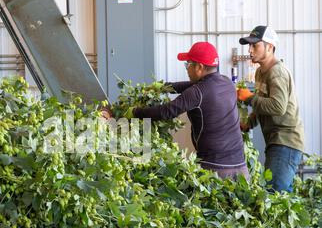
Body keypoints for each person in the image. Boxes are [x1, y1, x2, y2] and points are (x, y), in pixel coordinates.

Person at [104, 42, 249, 181]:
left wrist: (135, 112)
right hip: (240, 166)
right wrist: (163, 87)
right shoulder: (227, 83)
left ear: (199, 67)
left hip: (216, 168)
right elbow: (190, 85)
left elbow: (166, 112)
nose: (187, 68)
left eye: (188, 64)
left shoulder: (197, 92)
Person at [239, 25, 304, 192]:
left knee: (274, 195)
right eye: (250, 46)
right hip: (275, 141)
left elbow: (278, 107)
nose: (250, 50)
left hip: (285, 141)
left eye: (255, 45)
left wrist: (249, 97)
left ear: (269, 47)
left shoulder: (277, 73)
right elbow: (264, 104)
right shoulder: (261, 72)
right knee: (279, 196)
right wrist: (249, 123)